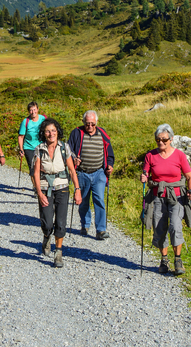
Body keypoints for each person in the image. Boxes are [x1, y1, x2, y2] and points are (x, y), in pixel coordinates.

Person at [141, 123, 191, 275]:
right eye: (158, 139)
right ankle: (164, 259)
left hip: (177, 197)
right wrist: (144, 176)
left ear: (171, 139)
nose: (161, 142)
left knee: (175, 226)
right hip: (157, 197)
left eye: (164, 140)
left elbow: (189, 176)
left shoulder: (179, 155)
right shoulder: (150, 155)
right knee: (159, 228)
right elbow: (145, 171)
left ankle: (178, 259)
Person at [32, 117, 82, 268]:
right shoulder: (39, 149)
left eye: (53, 130)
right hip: (45, 188)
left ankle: (58, 252)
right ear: (43, 133)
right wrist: (39, 194)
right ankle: (46, 236)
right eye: (47, 131)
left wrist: (77, 190)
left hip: (62, 187)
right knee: (47, 223)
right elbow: (35, 173)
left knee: (61, 222)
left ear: (57, 132)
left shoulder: (64, 147)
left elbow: (72, 171)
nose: (51, 134)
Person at [68, 110, 114, 240]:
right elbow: (68, 149)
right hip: (82, 173)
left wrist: (110, 165)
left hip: (99, 172)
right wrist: (73, 159)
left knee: (99, 199)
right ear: (83, 122)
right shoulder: (77, 133)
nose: (90, 126)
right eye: (87, 124)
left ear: (96, 123)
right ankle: (85, 224)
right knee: (83, 201)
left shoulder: (102, 134)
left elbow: (109, 152)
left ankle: (101, 230)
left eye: (92, 124)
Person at [17, 101, 46, 175]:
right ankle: (35, 186)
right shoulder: (25, 122)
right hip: (29, 147)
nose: (33, 112)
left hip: (42, 146)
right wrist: (21, 149)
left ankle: (41, 185)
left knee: (43, 168)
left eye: (34, 109)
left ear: (38, 109)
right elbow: (21, 137)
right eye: (31, 110)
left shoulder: (43, 119)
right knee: (33, 169)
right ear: (29, 111)